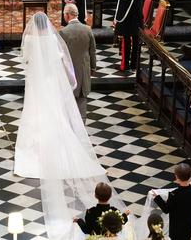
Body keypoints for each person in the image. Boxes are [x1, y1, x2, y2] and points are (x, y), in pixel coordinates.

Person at [14, 12, 120, 239]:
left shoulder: (31, 39)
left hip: (36, 82)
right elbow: (62, 59)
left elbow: (26, 59)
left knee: (35, 112)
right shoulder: (53, 39)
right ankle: (58, 142)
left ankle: (36, 147)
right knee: (55, 114)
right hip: (51, 81)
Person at [59, 4, 96, 120]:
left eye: (64, 14)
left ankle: (70, 127)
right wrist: (93, 68)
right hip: (84, 70)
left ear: (68, 15)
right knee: (82, 99)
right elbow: (92, 51)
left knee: (68, 100)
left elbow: (60, 55)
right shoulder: (87, 29)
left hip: (68, 72)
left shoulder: (63, 32)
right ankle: (82, 128)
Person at [153, 163, 191, 239]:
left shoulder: (173, 194)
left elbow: (166, 209)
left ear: (176, 177)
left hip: (176, 230)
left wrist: (157, 198)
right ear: (190, 176)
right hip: (190, 228)